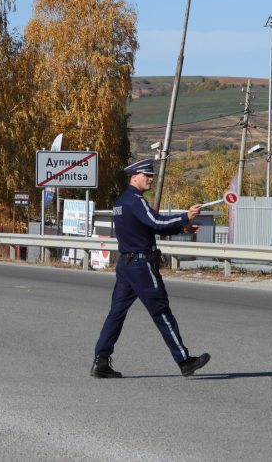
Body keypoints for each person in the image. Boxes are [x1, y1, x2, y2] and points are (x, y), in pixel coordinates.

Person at [90, 158, 210, 378]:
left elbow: (144, 228)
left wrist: (181, 227)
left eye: (151, 176)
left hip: (126, 264)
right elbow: (156, 222)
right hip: (141, 265)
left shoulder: (122, 201)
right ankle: (184, 360)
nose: (150, 179)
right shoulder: (136, 200)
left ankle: (101, 361)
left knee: (116, 314)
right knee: (161, 312)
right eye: (147, 175)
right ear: (134, 176)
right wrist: (185, 216)